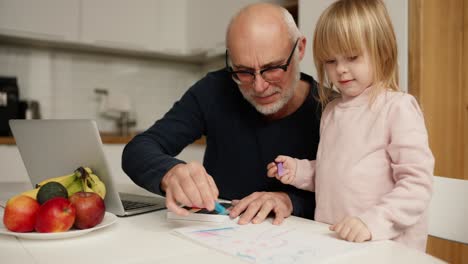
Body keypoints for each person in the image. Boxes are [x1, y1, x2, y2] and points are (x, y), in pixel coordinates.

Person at [122, 3, 322, 225]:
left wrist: (291, 201)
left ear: (301, 48)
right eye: (244, 71)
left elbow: (355, 196)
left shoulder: (332, 108)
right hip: (215, 236)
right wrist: (170, 173)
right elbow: (138, 149)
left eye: (272, 68)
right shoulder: (215, 89)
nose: (259, 86)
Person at [267, 0, 434, 251]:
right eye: (330, 61)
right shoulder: (333, 111)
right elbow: (335, 172)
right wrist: (299, 171)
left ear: (382, 51)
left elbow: (416, 185)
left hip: (385, 247)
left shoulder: (398, 108)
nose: (341, 70)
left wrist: (371, 223)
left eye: (352, 57)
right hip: (335, 242)